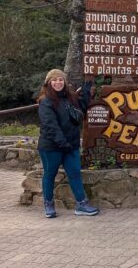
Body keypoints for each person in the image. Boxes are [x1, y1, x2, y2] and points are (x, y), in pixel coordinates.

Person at [37, 69, 99, 218]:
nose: (58, 82)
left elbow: (80, 109)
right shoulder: (45, 102)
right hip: (51, 147)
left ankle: (81, 204)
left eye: (60, 79)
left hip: (70, 146)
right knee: (49, 174)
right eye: (54, 80)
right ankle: (49, 204)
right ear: (48, 82)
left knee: (75, 174)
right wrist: (63, 143)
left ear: (64, 82)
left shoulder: (69, 98)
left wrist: (87, 86)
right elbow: (50, 126)